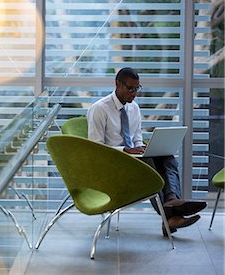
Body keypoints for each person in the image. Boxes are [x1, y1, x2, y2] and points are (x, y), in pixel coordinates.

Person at [87, 67, 206, 235]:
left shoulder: (134, 108)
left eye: (137, 88)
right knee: (148, 163)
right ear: (117, 84)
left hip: (134, 160)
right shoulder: (99, 109)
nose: (134, 93)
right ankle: (169, 218)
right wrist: (126, 150)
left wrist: (141, 147)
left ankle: (171, 200)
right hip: (112, 165)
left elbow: (136, 138)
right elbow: (95, 148)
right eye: (130, 88)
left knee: (167, 157)